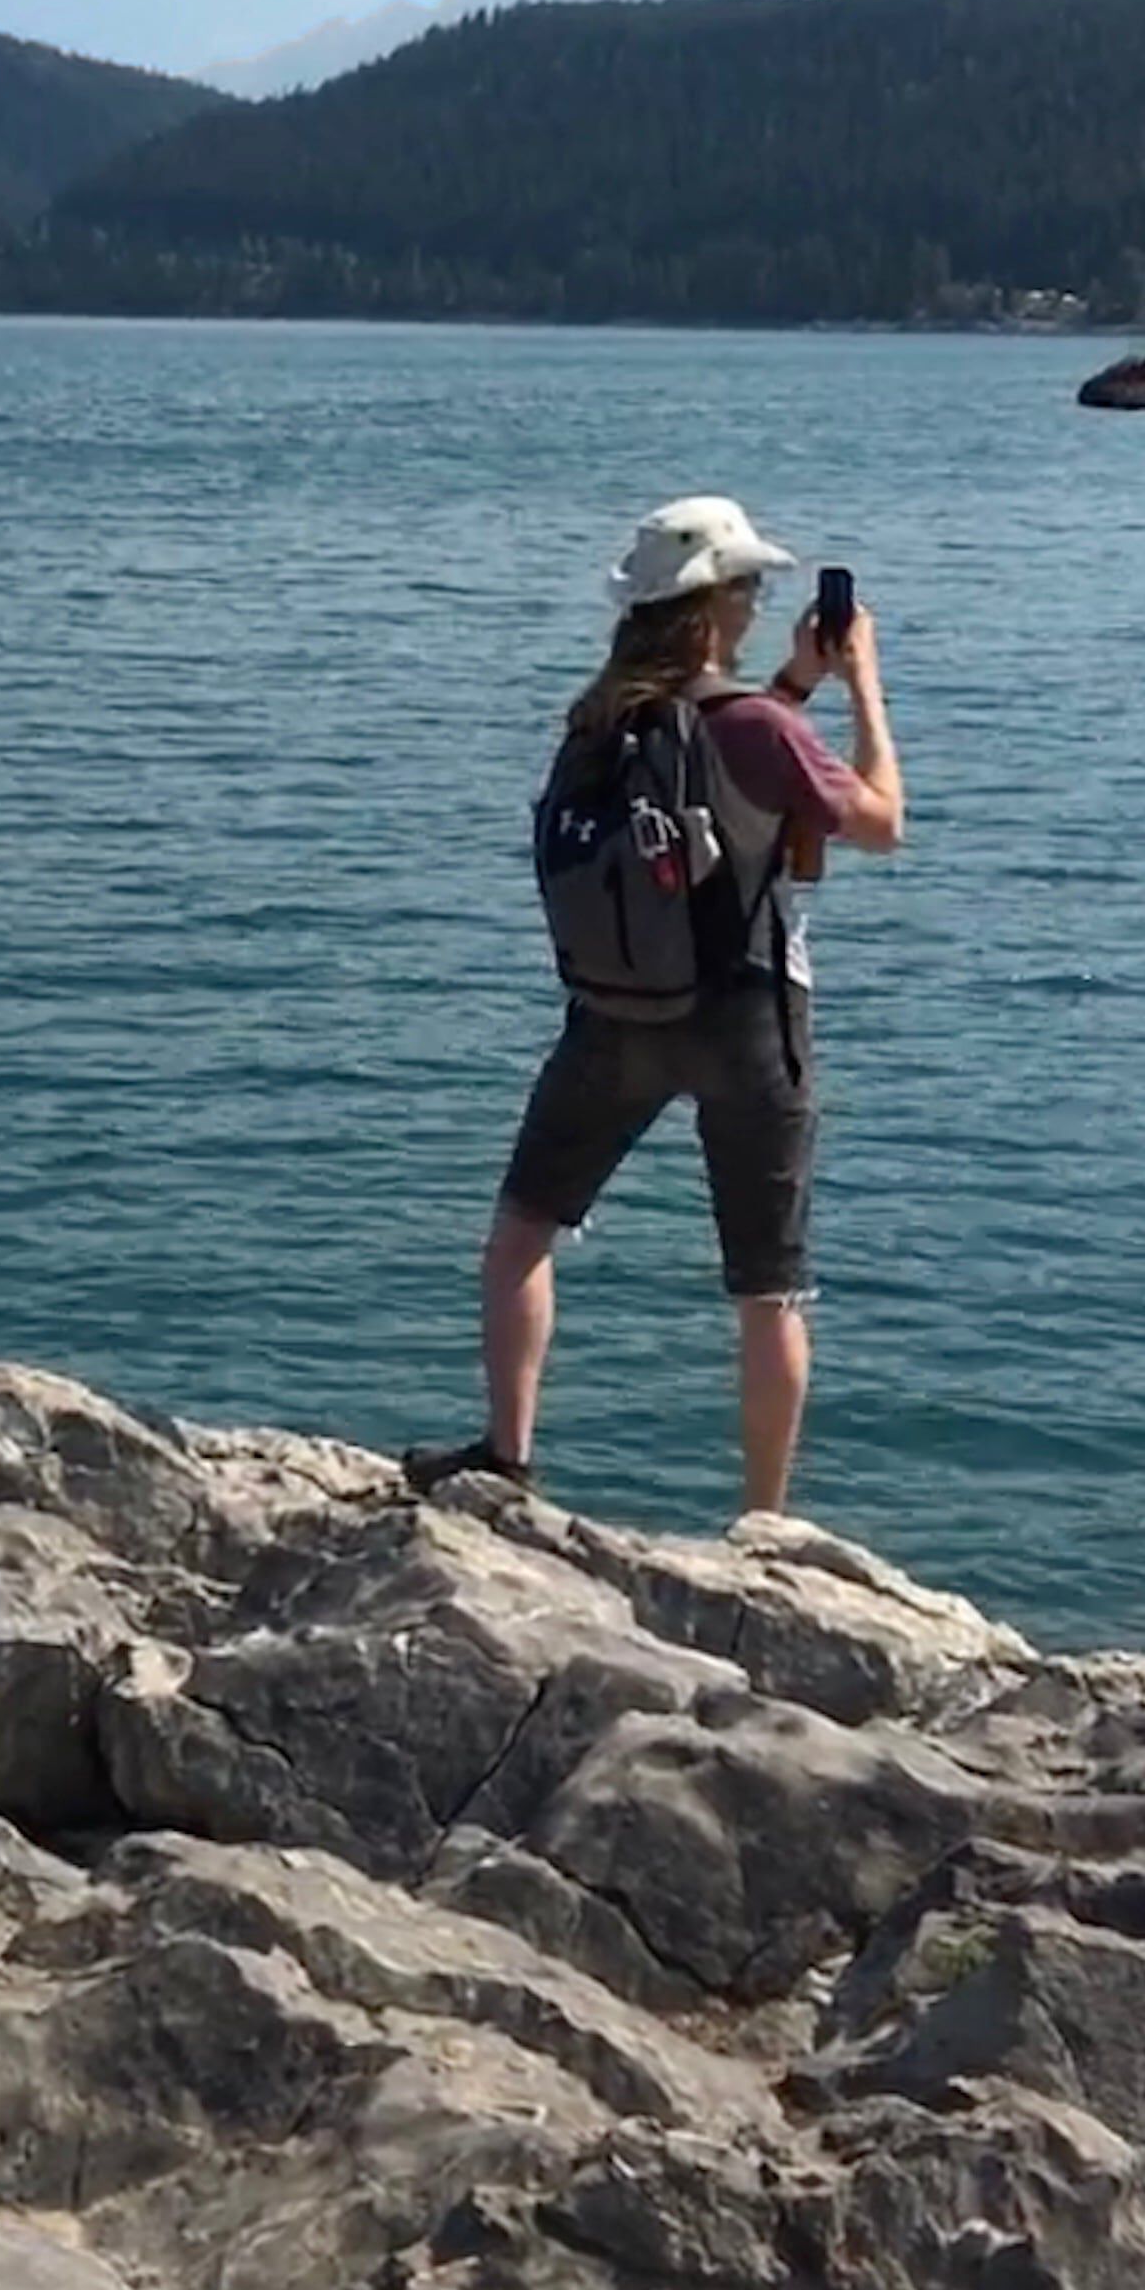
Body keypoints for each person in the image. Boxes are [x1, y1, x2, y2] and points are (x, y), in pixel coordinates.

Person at [404, 493, 904, 1524]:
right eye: (751, 591)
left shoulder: (598, 717)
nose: (762, 605)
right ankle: (762, 1526)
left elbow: (717, 753)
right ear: (716, 607)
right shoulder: (754, 727)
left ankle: (506, 1456)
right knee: (768, 1291)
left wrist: (796, 684)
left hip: (613, 1013)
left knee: (520, 1235)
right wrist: (860, 683)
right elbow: (879, 823)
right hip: (747, 1018)